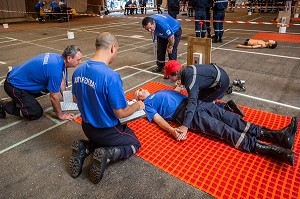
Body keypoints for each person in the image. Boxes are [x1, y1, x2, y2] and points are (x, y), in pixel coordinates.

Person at [134, 88, 298, 166]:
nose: (142, 89)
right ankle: (275, 152)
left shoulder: (160, 91)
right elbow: (158, 119)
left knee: (234, 120)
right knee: (225, 130)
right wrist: (171, 130)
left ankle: (280, 136)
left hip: (195, 103)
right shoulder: (147, 105)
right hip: (186, 114)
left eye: (141, 88)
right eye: (139, 91)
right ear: (139, 98)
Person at [69, 32, 145, 184]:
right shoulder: (110, 76)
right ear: (112, 48)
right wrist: (137, 105)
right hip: (107, 131)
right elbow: (122, 113)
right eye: (116, 51)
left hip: (87, 127)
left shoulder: (78, 71)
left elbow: (75, 99)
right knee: (134, 143)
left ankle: (85, 147)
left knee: (102, 137)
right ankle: (107, 154)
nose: (115, 55)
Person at [163, 60, 245, 136]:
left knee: (200, 104)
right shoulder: (187, 70)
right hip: (219, 75)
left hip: (221, 83)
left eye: (168, 76)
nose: (168, 78)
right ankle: (227, 106)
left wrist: (185, 125)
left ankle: (225, 111)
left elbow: (192, 102)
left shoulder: (190, 80)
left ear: (176, 73)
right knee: (201, 99)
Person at [0, 46, 82, 121]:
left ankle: (22, 101)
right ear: (69, 58)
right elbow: (53, 97)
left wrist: (67, 98)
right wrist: (60, 115)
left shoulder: (57, 58)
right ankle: (4, 105)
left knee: (49, 86)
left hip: (18, 77)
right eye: (78, 60)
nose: (80, 62)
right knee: (35, 113)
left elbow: (60, 80)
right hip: (14, 86)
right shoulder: (55, 71)